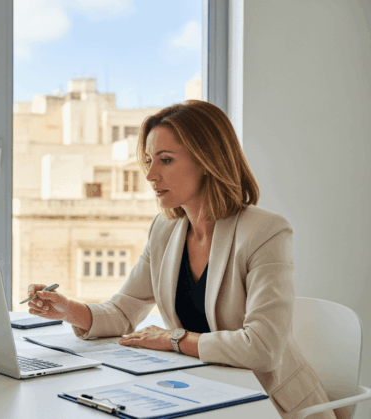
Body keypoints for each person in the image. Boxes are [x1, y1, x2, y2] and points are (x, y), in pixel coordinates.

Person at [27, 100, 337, 419]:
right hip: (201, 392)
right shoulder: (165, 230)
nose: (150, 175)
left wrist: (174, 339)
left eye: (165, 160)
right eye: (148, 160)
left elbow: (263, 349)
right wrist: (68, 309)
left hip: (268, 405)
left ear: (206, 160)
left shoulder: (265, 232)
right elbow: (123, 311)